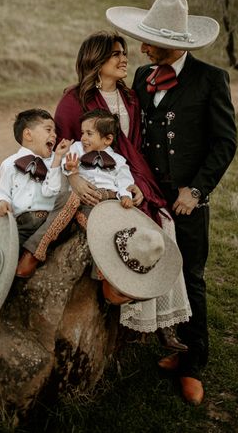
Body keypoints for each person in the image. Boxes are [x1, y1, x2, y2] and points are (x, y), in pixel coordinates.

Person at [106, 0, 237, 405]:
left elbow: (224, 143)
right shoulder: (145, 77)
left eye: (149, 42)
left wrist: (196, 190)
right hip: (150, 197)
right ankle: (159, 341)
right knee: (149, 268)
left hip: (186, 201)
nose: (142, 49)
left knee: (191, 276)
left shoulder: (210, 79)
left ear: (175, 43)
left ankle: (193, 363)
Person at [54, 31, 191, 347]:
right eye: (116, 53)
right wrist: (74, 179)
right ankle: (126, 303)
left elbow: (134, 150)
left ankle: (161, 319)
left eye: (124, 53)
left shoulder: (131, 98)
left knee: (164, 223)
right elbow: (60, 148)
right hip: (86, 180)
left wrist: (137, 185)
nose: (124, 58)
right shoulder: (74, 101)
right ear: (96, 60)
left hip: (125, 177)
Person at [0, 108, 73, 278]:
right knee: (1, 262)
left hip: (50, 222)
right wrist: (1, 201)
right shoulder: (9, 164)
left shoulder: (57, 162)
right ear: (28, 135)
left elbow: (52, 191)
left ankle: (33, 253)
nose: (54, 135)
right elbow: (2, 192)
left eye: (55, 131)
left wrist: (57, 161)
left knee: (69, 197)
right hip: (22, 225)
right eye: (48, 130)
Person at [63, 109, 135, 214]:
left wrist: (125, 195)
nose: (83, 138)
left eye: (89, 133)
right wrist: (68, 166)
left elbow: (124, 179)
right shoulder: (77, 148)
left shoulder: (118, 159)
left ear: (108, 139)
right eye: (82, 133)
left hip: (108, 200)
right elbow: (66, 159)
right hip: (83, 197)